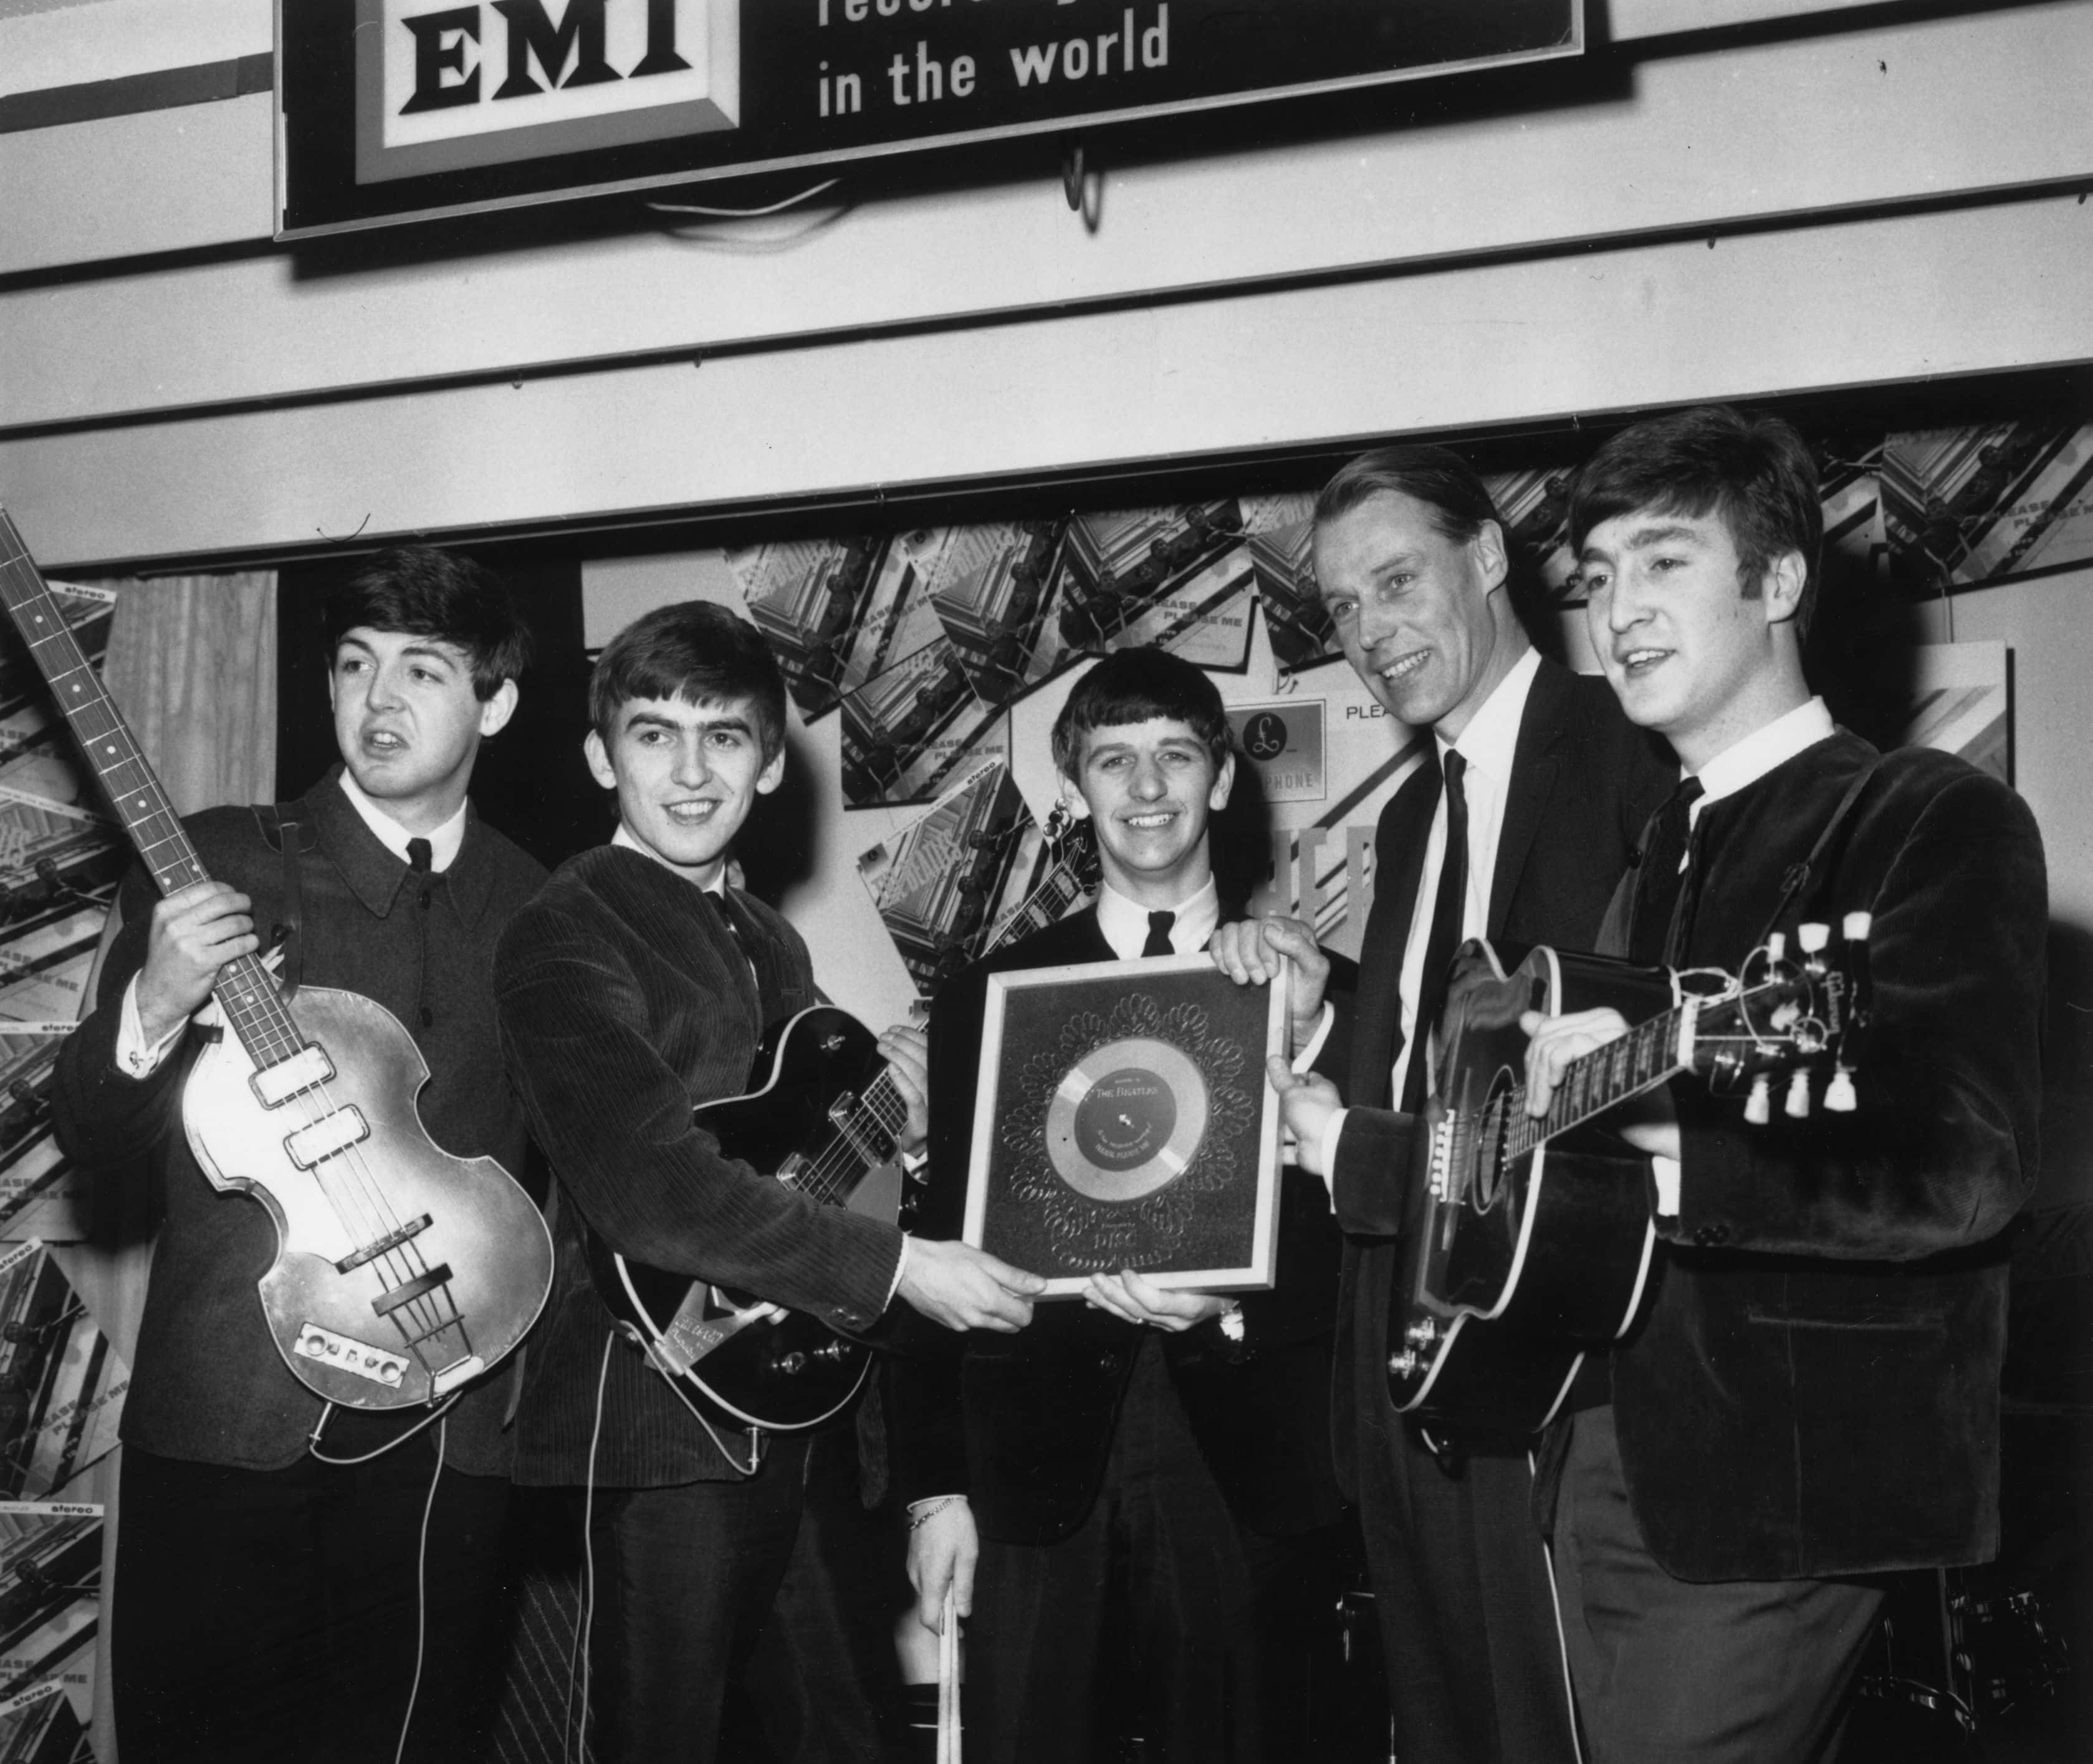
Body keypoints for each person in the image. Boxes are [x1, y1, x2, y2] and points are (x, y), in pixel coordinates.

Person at [1517, 405, 2046, 1761]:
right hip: (1604, 1463)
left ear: (1778, 581)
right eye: (1597, 578)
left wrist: (1668, 1139)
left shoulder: (1925, 814)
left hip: (1791, 1485)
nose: (1617, 610)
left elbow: (1961, 1163)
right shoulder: (1652, 861)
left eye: (1662, 563)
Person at [494, 600, 1043, 1764]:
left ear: (768, 761)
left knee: (841, 1732)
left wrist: (906, 1121)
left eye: (725, 736)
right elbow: (651, 1187)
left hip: (790, 1399)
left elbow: (812, 1162)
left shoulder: (764, 936)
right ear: (601, 756)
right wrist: (898, 1265)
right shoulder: (567, 924)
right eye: (654, 734)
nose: (691, 771)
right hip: (652, 1420)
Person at [52, 547, 545, 1763]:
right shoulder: (217, 855)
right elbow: (91, 1136)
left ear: (495, 701)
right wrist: (156, 1002)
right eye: (352, 665)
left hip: (446, 1435)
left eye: (421, 671)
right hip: (229, 1430)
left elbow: (579, 1174)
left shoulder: (548, 909)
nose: (377, 701)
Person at [1227, 446, 1674, 1764]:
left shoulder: (1627, 752)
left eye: (1396, 581)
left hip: (1544, 1367)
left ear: (1488, 559)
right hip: (1403, 1362)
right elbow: (1438, 1056)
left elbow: (1632, 1063)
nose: (1368, 631)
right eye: (1343, 609)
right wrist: (1321, 1015)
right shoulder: (1421, 810)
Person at [888, 646, 1351, 1764]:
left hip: (1240, 1459)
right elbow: (929, 1243)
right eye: (1114, 761)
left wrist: (1299, 1038)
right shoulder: (984, 1001)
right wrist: (933, 1490)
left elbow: (1363, 1240)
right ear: (1074, 787)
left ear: (1223, 780)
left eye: (1175, 756)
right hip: (1033, 1466)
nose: (1146, 790)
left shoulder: (1318, 985)